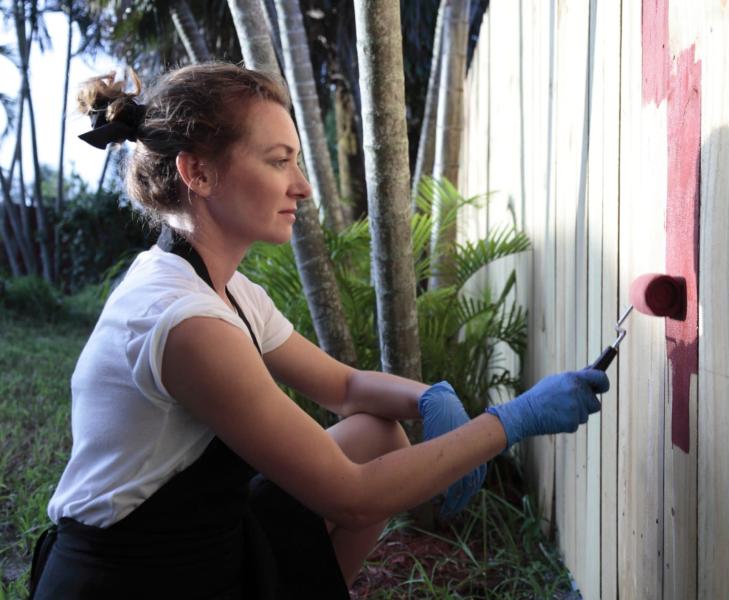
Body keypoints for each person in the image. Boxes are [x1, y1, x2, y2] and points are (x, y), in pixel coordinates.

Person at [29, 62, 608, 599]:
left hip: (192, 540)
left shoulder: (221, 287)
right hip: (131, 580)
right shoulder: (185, 322)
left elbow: (346, 389)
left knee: (376, 432)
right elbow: (350, 499)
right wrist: (511, 422)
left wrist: (431, 398)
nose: (301, 186)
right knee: (353, 476)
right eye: (279, 161)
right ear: (197, 171)